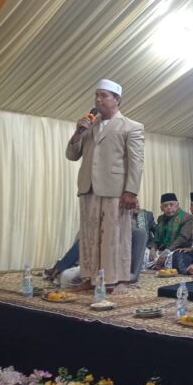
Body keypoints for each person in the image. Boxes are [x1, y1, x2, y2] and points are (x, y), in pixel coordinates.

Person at [65, 79, 144, 290]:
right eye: (96, 95)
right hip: (88, 187)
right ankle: (90, 279)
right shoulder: (89, 126)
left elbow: (136, 162)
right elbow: (72, 155)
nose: (98, 99)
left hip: (116, 190)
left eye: (104, 95)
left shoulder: (131, 126)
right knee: (89, 235)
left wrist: (131, 191)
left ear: (117, 99)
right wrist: (78, 132)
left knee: (115, 236)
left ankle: (118, 279)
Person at [149, 193, 193, 267]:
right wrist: (153, 249)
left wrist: (168, 251)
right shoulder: (160, 219)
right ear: (161, 208)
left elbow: (183, 237)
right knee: (147, 254)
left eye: (171, 204)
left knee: (174, 259)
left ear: (177, 205)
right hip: (162, 250)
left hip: (178, 250)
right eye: (165, 206)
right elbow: (156, 238)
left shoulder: (186, 217)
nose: (168, 207)